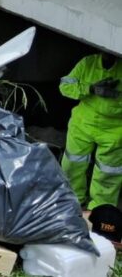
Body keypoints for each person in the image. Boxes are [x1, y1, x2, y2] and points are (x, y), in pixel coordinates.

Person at [61, 52, 122, 210]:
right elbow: (65, 86)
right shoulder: (88, 63)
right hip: (83, 122)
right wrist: (91, 89)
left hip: (115, 129)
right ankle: (71, 201)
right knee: (72, 164)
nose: (109, 58)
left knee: (108, 173)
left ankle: (101, 210)